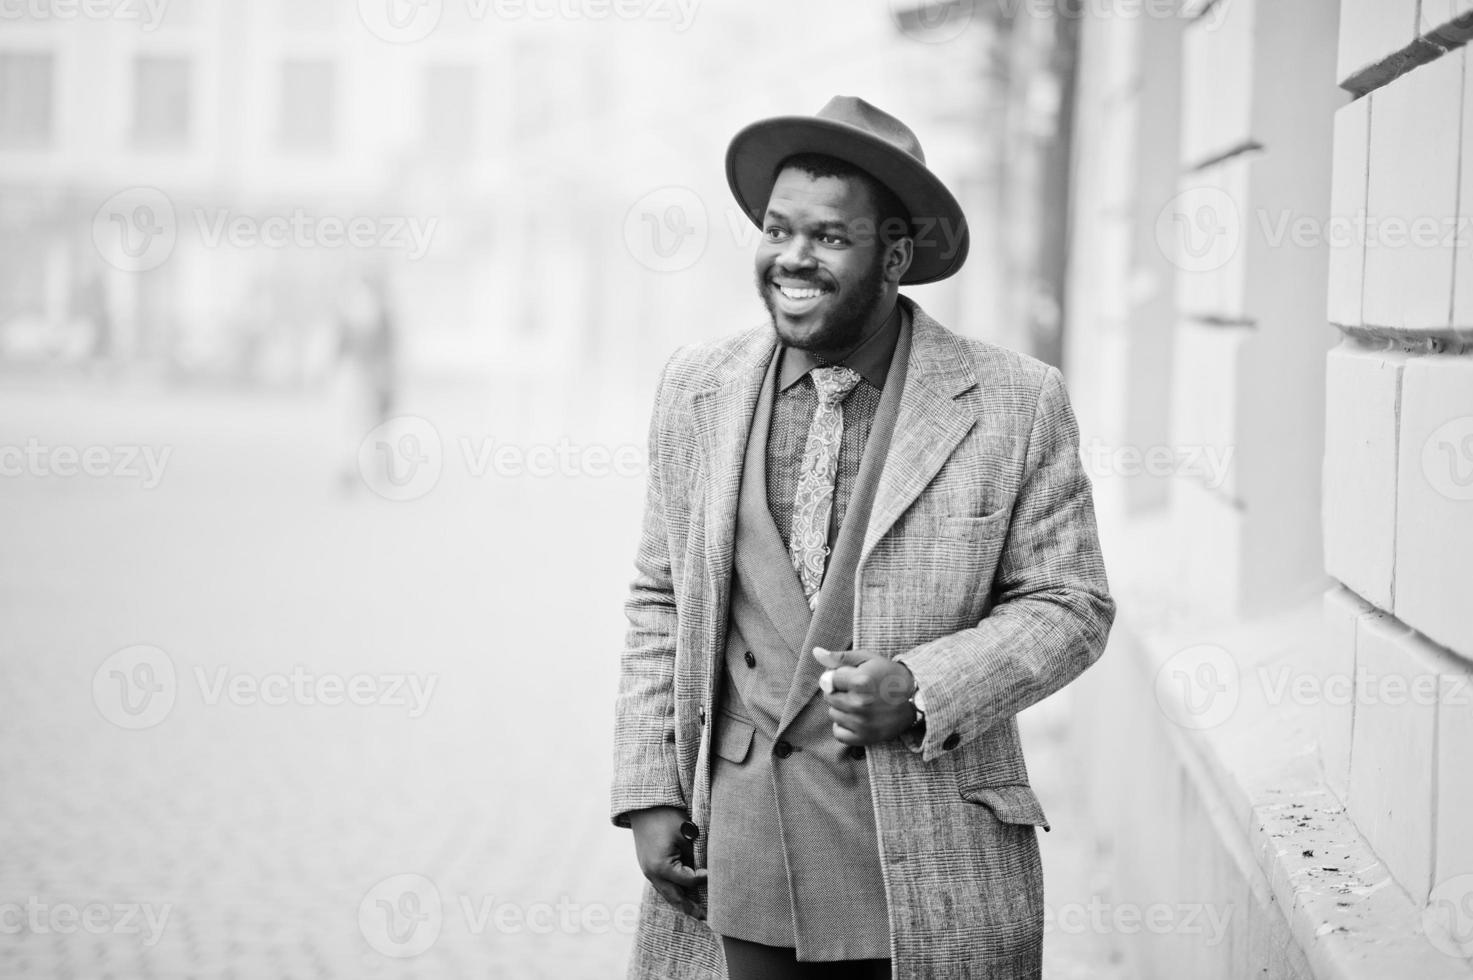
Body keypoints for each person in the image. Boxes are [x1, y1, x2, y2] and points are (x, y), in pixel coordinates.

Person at [610, 95, 1115, 980]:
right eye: (777, 229)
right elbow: (659, 595)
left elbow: (1071, 605)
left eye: (829, 238)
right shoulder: (696, 389)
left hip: (923, 857)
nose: (792, 258)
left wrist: (924, 686)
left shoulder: (1013, 403)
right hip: (732, 853)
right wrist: (649, 790)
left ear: (894, 257)